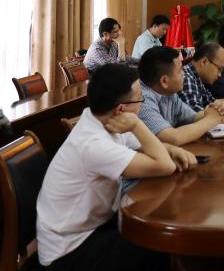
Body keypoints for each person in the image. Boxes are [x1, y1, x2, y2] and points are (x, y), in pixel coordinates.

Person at [37, 64, 195, 270]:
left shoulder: (101, 119)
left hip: (93, 226)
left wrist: (173, 150)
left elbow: (146, 147)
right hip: (69, 251)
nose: (142, 103)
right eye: (140, 99)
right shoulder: (93, 144)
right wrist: (137, 125)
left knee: (158, 227)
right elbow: (164, 166)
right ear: (121, 110)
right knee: (160, 244)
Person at [137, 46, 224, 145]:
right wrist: (211, 119)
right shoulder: (141, 100)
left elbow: (193, 118)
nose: (184, 74)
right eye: (180, 70)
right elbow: (172, 138)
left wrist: (215, 111)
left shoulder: (168, 93)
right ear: (164, 81)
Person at [178, 42, 224, 112]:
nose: (220, 75)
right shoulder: (186, 78)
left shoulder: (197, 78)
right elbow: (194, 114)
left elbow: (213, 102)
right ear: (204, 62)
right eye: (219, 69)